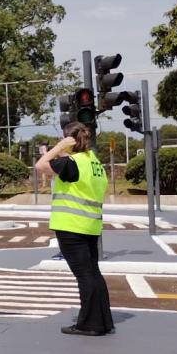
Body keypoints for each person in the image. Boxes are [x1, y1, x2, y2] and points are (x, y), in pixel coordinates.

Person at [35, 122, 114, 337]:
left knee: (84, 275)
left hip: (71, 226)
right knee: (93, 272)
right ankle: (104, 321)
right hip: (90, 225)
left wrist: (57, 147)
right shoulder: (95, 163)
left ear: (70, 140)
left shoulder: (72, 162)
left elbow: (40, 165)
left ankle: (90, 324)